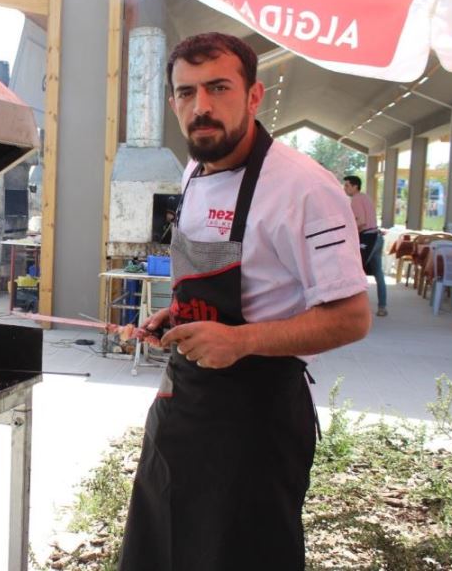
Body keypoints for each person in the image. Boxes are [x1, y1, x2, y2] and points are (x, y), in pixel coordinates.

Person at [118, 33, 371, 571]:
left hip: (255, 425)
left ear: (254, 96)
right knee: (161, 549)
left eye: (218, 88)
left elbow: (352, 317)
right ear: (172, 102)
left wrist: (240, 340)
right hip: (183, 408)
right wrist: (179, 314)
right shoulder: (194, 170)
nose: (201, 106)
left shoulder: (305, 189)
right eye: (186, 92)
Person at [343, 175, 388, 316]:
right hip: (377, 237)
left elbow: (361, 222)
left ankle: (355, 308)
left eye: (347, 186)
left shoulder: (355, 200)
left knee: (355, 272)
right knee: (378, 274)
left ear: (355, 186)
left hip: (367, 238)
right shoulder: (366, 198)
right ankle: (382, 306)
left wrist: (348, 232)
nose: (345, 188)